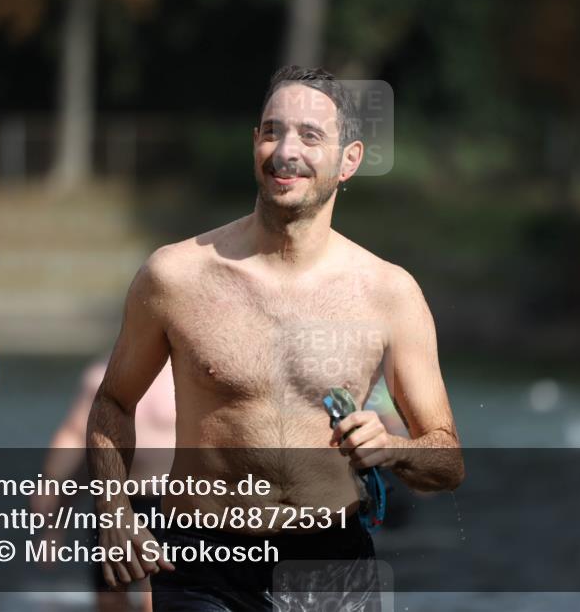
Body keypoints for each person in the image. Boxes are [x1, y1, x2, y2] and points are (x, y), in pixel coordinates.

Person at [87, 66, 464, 610]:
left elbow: (447, 462)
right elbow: (112, 402)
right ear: (254, 143)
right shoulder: (176, 276)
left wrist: (394, 450)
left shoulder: (389, 292)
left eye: (310, 136)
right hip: (204, 561)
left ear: (349, 160)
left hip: (333, 561)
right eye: (271, 131)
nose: (286, 151)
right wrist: (115, 517)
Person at [35, 356, 175, 612]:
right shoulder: (101, 376)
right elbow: (75, 435)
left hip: (170, 503)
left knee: (155, 596)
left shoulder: (186, 375)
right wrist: (52, 488)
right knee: (109, 595)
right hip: (113, 501)